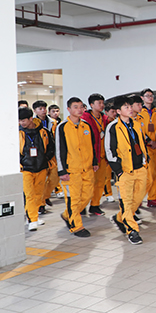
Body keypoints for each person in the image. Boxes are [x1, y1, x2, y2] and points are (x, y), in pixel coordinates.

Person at [105, 96, 148, 245]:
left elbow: (141, 144)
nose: (130, 109)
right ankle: (132, 230)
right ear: (118, 111)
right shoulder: (113, 127)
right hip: (124, 171)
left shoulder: (136, 124)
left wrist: (144, 161)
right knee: (127, 202)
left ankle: (119, 218)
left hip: (140, 168)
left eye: (130, 106)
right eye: (126, 107)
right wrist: (119, 170)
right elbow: (109, 150)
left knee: (138, 199)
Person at [56, 97, 98, 238]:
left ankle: (67, 214)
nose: (79, 110)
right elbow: (59, 150)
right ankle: (76, 226)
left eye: (81, 107)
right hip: (71, 170)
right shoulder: (62, 127)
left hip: (87, 168)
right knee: (73, 199)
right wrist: (62, 170)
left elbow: (92, 145)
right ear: (68, 109)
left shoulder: (86, 126)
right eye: (75, 107)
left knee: (87, 195)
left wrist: (94, 161)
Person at [19, 107, 54, 231]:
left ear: (31, 118)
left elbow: (51, 147)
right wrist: (21, 162)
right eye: (20, 120)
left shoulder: (44, 131)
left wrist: (45, 158)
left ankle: (35, 215)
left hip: (41, 167)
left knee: (39, 194)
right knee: (29, 194)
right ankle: (32, 219)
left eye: (24, 120)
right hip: (26, 168)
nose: (21, 123)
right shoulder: (18, 133)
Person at [81, 93, 110, 216]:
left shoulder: (105, 118)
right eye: (99, 103)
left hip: (102, 156)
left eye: (103, 103)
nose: (102, 105)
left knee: (100, 182)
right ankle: (82, 206)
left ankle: (95, 205)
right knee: (87, 183)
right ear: (91, 105)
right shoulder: (85, 118)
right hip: (90, 157)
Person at [138, 89, 156, 208]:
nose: (150, 98)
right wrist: (148, 141)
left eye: (151, 95)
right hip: (146, 147)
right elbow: (139, 130)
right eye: (147, 96)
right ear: (142, 98)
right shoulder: (139, 112)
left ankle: (152, 198)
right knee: (149, 176)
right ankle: (138, 199)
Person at [32, 101, 58, 212]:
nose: (43, 110)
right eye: (40, 109)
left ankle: (46, 196)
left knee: (54, 178)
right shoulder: (32, 123)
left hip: (52, 153)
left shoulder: (53, 122)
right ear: (35, 111)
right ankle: (41, 204)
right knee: (41, 182)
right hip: (39, 156)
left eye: (44, 108)